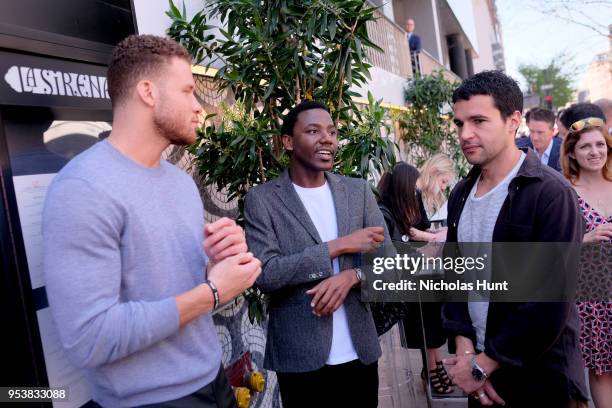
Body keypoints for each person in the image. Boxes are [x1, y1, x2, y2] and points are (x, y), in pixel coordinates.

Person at [42, 35, 262, 407]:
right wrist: (211, 292)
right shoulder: (82, 189)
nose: (199, 108)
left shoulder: (179, 182)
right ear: (148, 92)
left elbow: (173, 290)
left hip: (213, 381)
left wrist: (217, 264)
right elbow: (90, 338)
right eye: (188, 91)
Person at [443, 71, 588, 407]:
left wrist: (483, 365)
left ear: (513, 121)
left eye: (478, 121)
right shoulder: (461, 193)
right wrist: (467, 357)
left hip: (540, 376)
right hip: (479, 371)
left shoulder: (551, 193)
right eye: (459, 123)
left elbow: (549, 302)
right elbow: (455, 277)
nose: (465, 134)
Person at [244, 100, 391, 407]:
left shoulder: (357, 191)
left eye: (332, 132)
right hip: (300, 359)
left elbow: (390, 264)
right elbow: (267, 274)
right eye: (313, 131)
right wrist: (337, 246)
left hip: (359, 355)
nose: (327, 139)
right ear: (288, 142)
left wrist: (352, 276)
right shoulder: (263, 199)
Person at [377, 162, 452, 394]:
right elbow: (394, 257)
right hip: (394, 291)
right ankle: (431, 367)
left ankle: (435, 363)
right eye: (413, 190)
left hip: (411, 278)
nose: (416, 194)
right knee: (429, 301)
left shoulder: (399, 210)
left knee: (434, 295)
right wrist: (425, 250)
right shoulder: (385, 215)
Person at [560, 103, 612, 408]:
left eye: (599, 144)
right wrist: (584, 238)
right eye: (585, 146)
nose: (595, 152)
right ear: (571, 153)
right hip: (592, 295)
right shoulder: (565, 192)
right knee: (603, 370)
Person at [417, 153, 456, 225]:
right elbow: (410, 231)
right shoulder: (411, 191)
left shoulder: (420, 195)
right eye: (443, 181)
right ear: (433, 171)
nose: (443, 188)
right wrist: (434, 236)